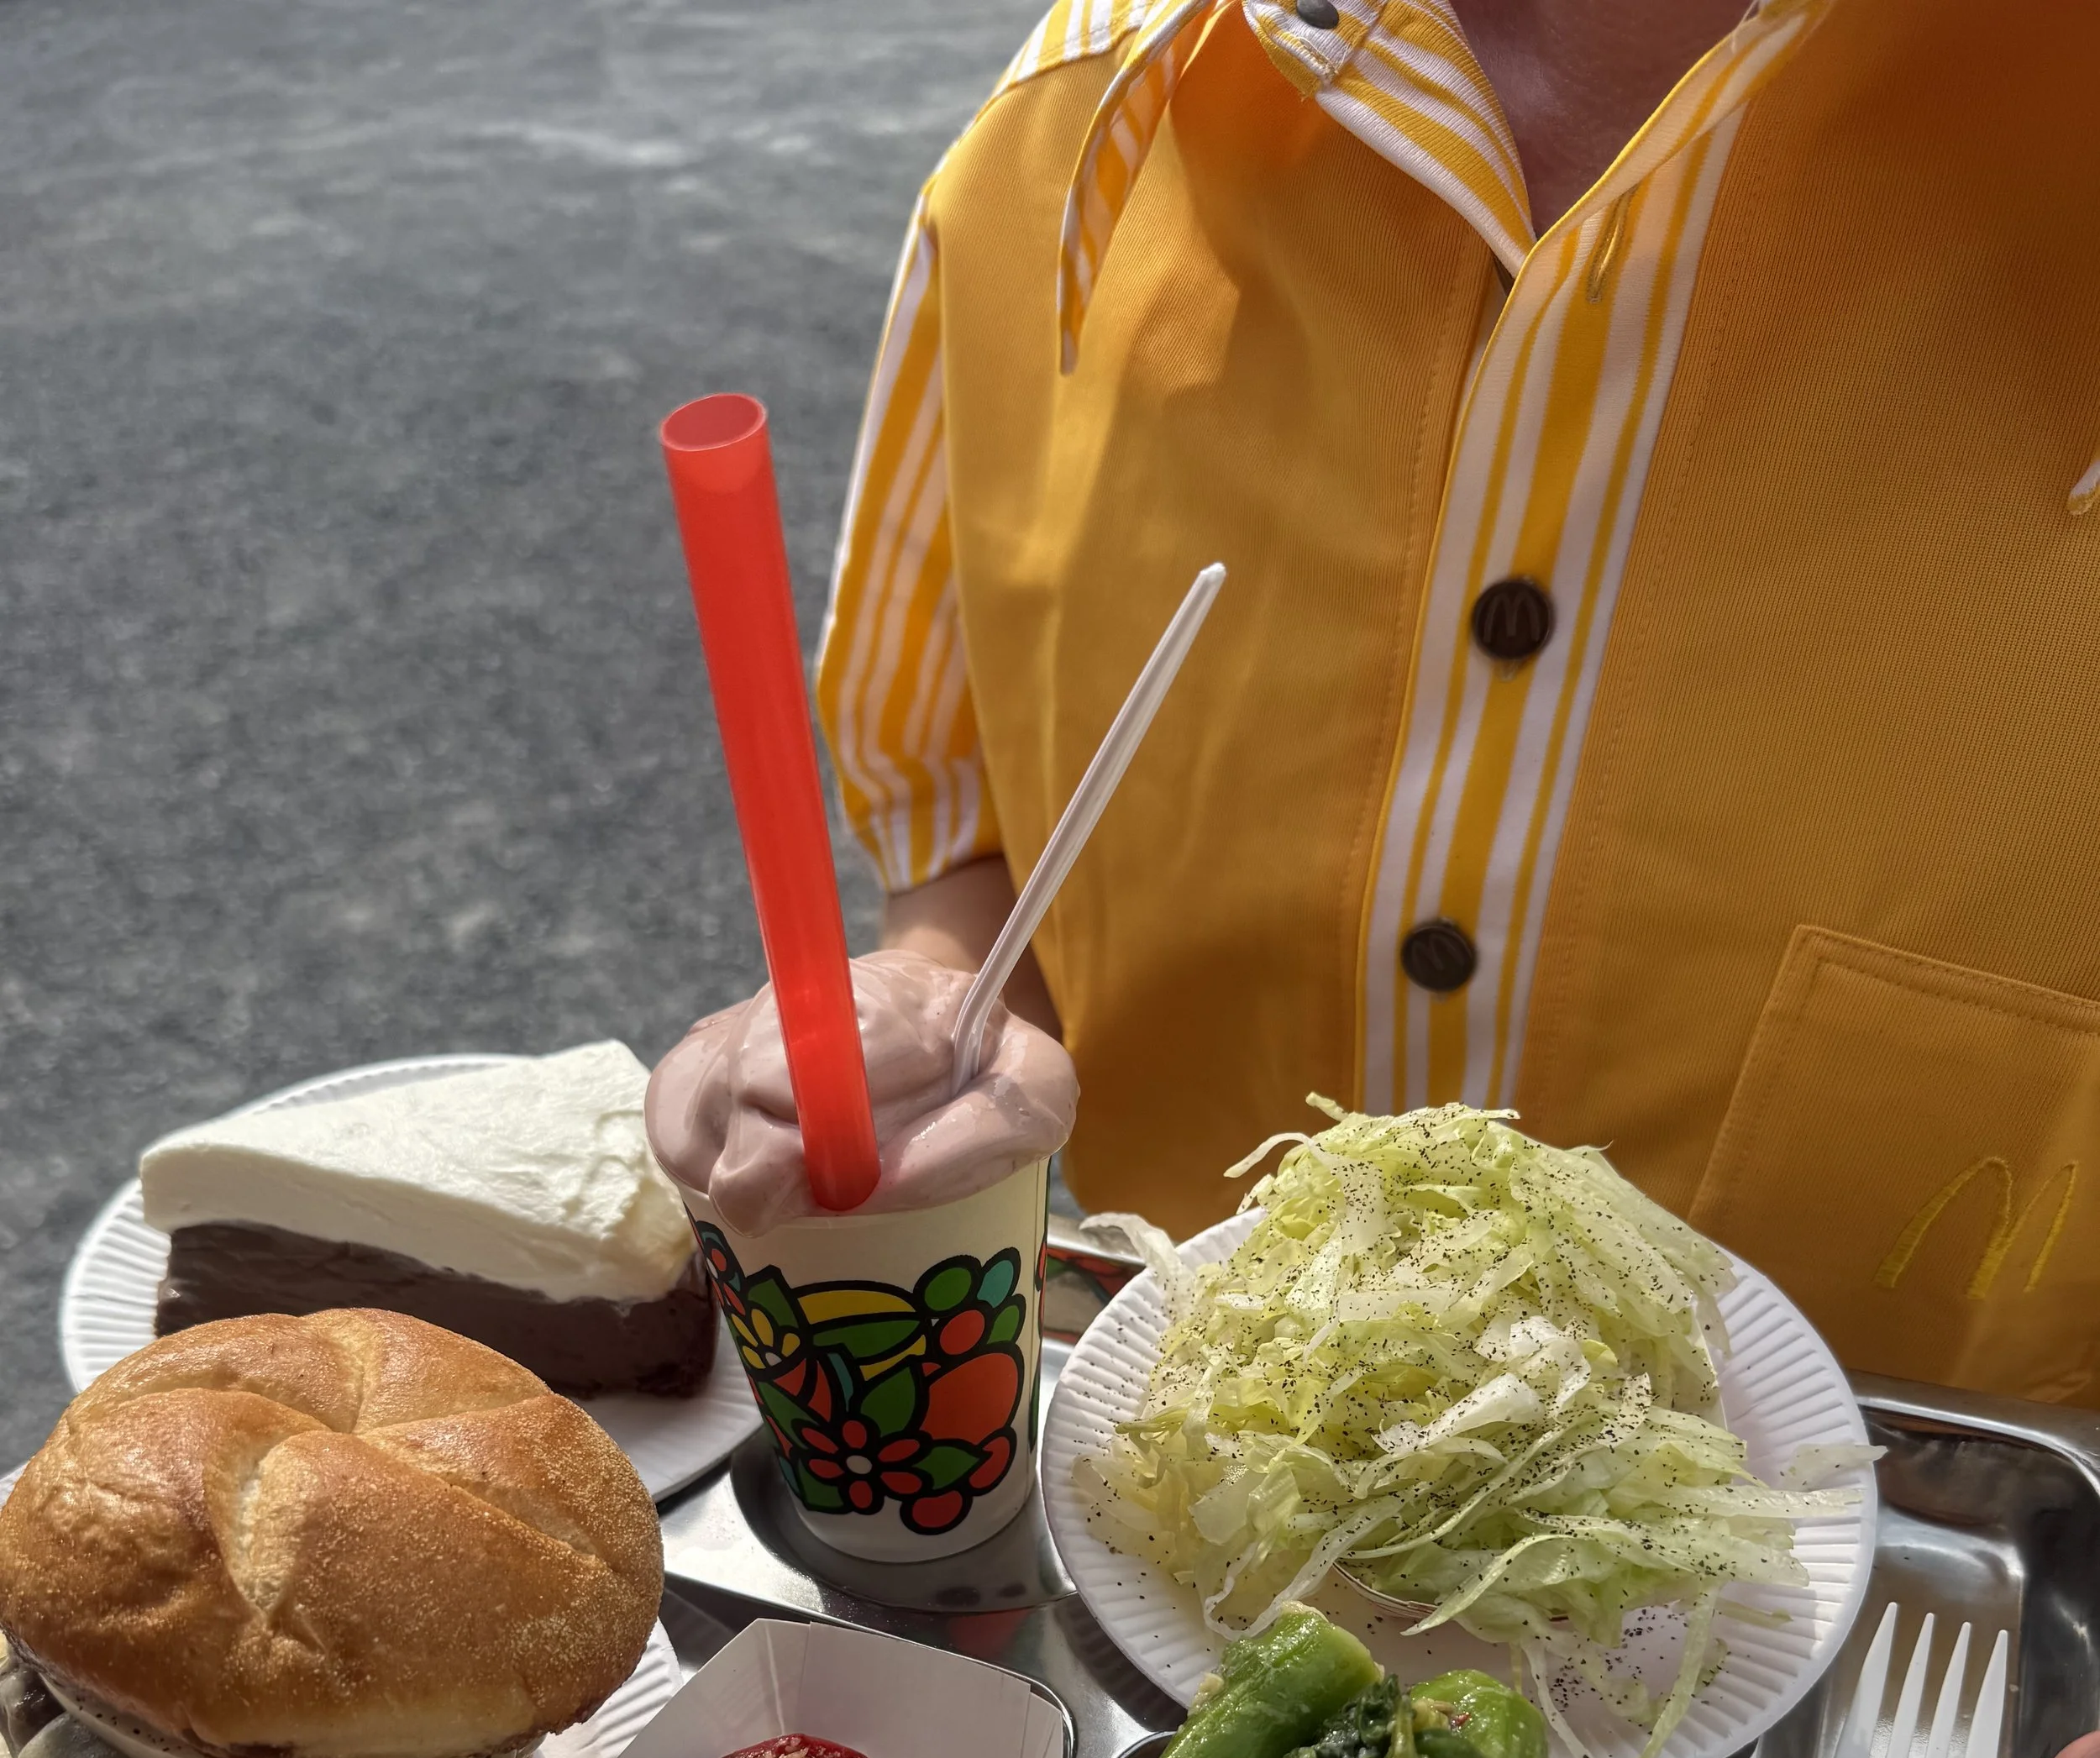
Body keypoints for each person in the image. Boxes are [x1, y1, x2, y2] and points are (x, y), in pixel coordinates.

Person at [813, 0, 2100, 1411]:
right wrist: (922, 1019)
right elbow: (964, 823)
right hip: (1174, 1484)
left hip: (1934, 1554)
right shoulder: (1079, 119)